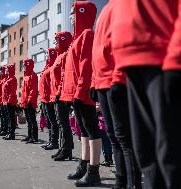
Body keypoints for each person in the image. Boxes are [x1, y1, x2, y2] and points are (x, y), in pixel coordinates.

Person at [110, 0, 181, 188]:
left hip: (166, 56)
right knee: (147, 157)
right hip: (132, 61)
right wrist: (119, 73)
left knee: (176, 161)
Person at [91, 1, 141, 188]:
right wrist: (94, 82)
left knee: (125, 138)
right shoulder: (106, 9)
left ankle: (133, 184)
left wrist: (120, 76)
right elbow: (98, 49)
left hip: (117, 81)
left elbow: (127, 40)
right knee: (113, 135)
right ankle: (121, 181)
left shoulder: (126, 4)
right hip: (103, 83)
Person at [60, 2, 101, 187]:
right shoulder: (76, 40)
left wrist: (79, 91)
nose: (71, 16)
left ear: (81, 13)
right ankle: (84, 165)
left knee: (91, 130)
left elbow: (86, 66)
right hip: (75, 93)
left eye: (73, 12)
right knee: (83, 130)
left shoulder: (87, 35)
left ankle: (94, 170)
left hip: (83, 92)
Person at [49, 31, 73, 160]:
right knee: (60, 122)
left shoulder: (65, 55)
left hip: (61, 95)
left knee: (64, 123)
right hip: (56, 95)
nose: (55, 43)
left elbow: (64, 76)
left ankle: (67, 149)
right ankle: (62, 147)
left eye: (57, 40)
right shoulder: (59, 56)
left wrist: (58, 92)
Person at [39, 48, 59, 150]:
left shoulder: (53, 66)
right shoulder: (46, 67)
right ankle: (51, 140)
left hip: (50, 98)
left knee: (52, 121)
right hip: (44, 98)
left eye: (48, 54)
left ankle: (54, 141)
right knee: (48, 121)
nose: (46, 56)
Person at [20, 59, 38, 143]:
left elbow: (33, 89)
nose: (23, 67)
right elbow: (23, 91)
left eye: (24, 65)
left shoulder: (33, 75)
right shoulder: (25, 76)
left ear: (28, 65)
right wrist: (22, 101)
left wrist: (30, 100)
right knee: (28, 120)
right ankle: (29, 136)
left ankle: (34, 137)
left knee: (32, 120)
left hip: (30, 102)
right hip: (25, 102)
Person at [2, 64, 18, 140]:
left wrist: (9, 100)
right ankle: (9, 132)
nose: (5, 71)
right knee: (8, 118)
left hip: (10, 102)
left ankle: (12, 133)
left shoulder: (13, 79)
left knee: (11, 118)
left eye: (7, 69)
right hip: (6, 102)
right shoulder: (7, 79)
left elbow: (12, 91)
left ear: (10, 70)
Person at [0, 66, 8, 136]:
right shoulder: (0, 80)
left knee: (4, 116)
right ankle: (2, 129)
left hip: (3, 101)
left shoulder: (4, 79)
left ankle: (5, 129)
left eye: (0, 71)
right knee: (1, 115)